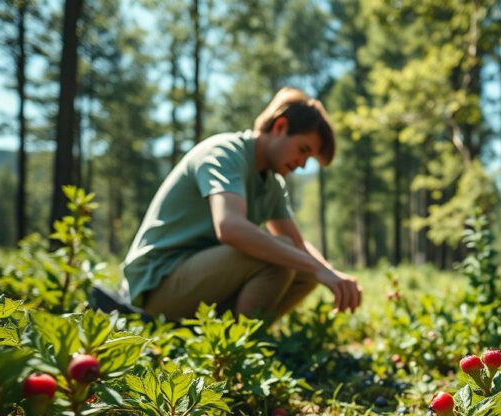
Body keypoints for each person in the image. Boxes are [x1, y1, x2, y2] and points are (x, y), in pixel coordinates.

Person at [122, 87, 361, 325]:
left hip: (197, 282)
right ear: (280, 127)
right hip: (156, 286)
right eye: (303, 150)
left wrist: (330, 274)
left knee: (303, 271)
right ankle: (238, 351)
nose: (301, 165)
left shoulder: (271, 182)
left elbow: (298, 244)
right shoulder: (224, 153)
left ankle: (236, 336)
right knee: (280, 257)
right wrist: (313, 266)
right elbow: (230, 227)